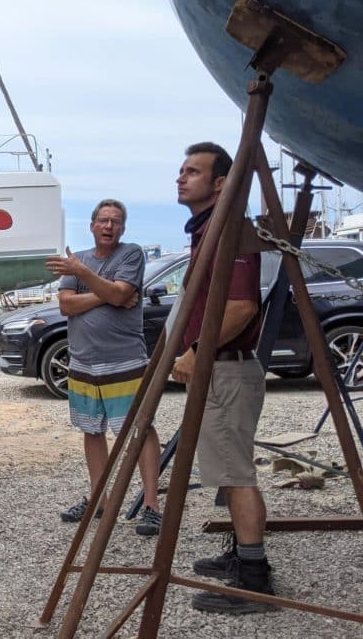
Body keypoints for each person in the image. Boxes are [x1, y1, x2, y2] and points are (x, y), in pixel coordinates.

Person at [172, 142, 274, 614]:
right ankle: (242, 555)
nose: (181, 177)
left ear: (218, 183)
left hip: (226, 370)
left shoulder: (226, 227)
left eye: (193, 171)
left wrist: (195, 352)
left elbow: (240, 307)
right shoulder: (208, 229)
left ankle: (254, 581)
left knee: (236, 475)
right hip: (222, 370)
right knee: (230, 473)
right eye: (181, 170)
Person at [46, 199, 163, 536]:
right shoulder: (78, 258)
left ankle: (151, 504)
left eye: (116, 221)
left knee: (139, 429)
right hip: (83, 361)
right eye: (103, 220)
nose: (109, 226)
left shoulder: (130, 254)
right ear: (92, 225)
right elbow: (67, 305)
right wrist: (109, 294)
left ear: (123, 228)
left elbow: (121, 291)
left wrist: (89, 279)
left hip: (124, 359)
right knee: (92, 429)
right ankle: (99, 498)